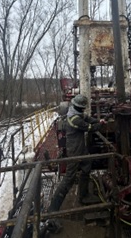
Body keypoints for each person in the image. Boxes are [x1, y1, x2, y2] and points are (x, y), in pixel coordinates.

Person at [46, 94, 102, 233]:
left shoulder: (75, 112)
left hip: (80, 147)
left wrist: (98, 120)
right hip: (74, 150)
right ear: (80, 107)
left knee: (87, 166)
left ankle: (83, 196)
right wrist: (100, 124)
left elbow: (87, 118)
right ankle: (53, 209)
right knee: (69, 178)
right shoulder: (74, 118)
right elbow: (89, 127)